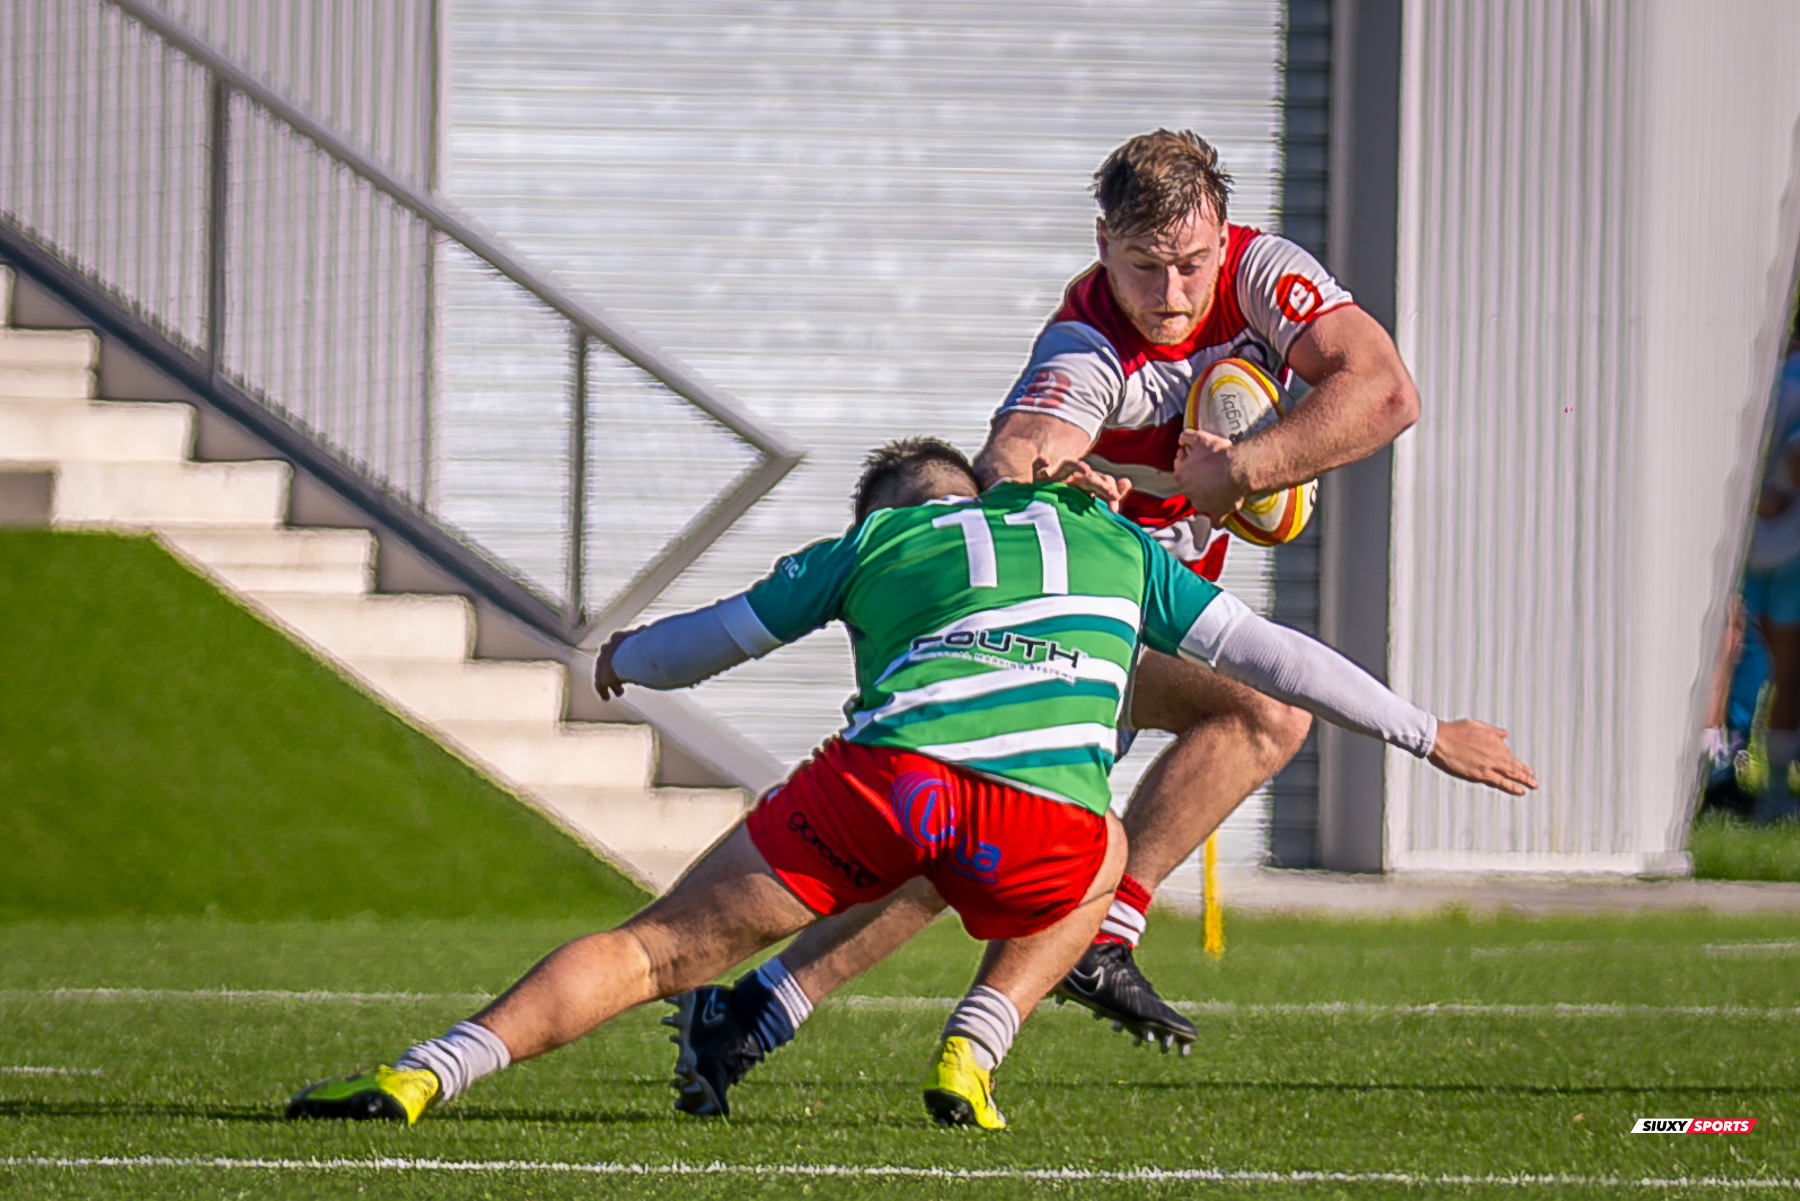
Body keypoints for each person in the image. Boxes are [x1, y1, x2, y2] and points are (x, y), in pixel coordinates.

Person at [287, 439, 1534, 1131]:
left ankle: (425, 1074)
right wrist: (1428, 733)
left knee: (657, 947)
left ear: (887, 512)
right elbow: (1279, 660)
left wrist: (623, 659)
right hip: (1040, 816)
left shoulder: (876, 541)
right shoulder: (1106, 538)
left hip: (887, 787)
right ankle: (973, 1048)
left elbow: (718, 636)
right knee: (1103, 848)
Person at [673, 128, 1425, 1102]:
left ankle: (753, 1012)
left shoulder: (1262, 277)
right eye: (1145, 268)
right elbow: (1024, 448)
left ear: (1223, 237)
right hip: (1083, 619)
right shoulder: (1086, 342)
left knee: (958, 853)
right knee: (1260, 710)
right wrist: (1057, 477)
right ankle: (1101, 936)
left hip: (1123, 623)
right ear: (1104, 242)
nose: (1173, 295)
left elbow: (1385, 392)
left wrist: (1236, 473)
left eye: (1192, 264)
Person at [1740, 312, 1800, 824]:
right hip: (1790, 551)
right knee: (1789, 676)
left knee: (1741, 670)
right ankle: (1775, 797)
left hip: (1746, 549)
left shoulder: (1769, 373)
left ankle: (1730, 776)